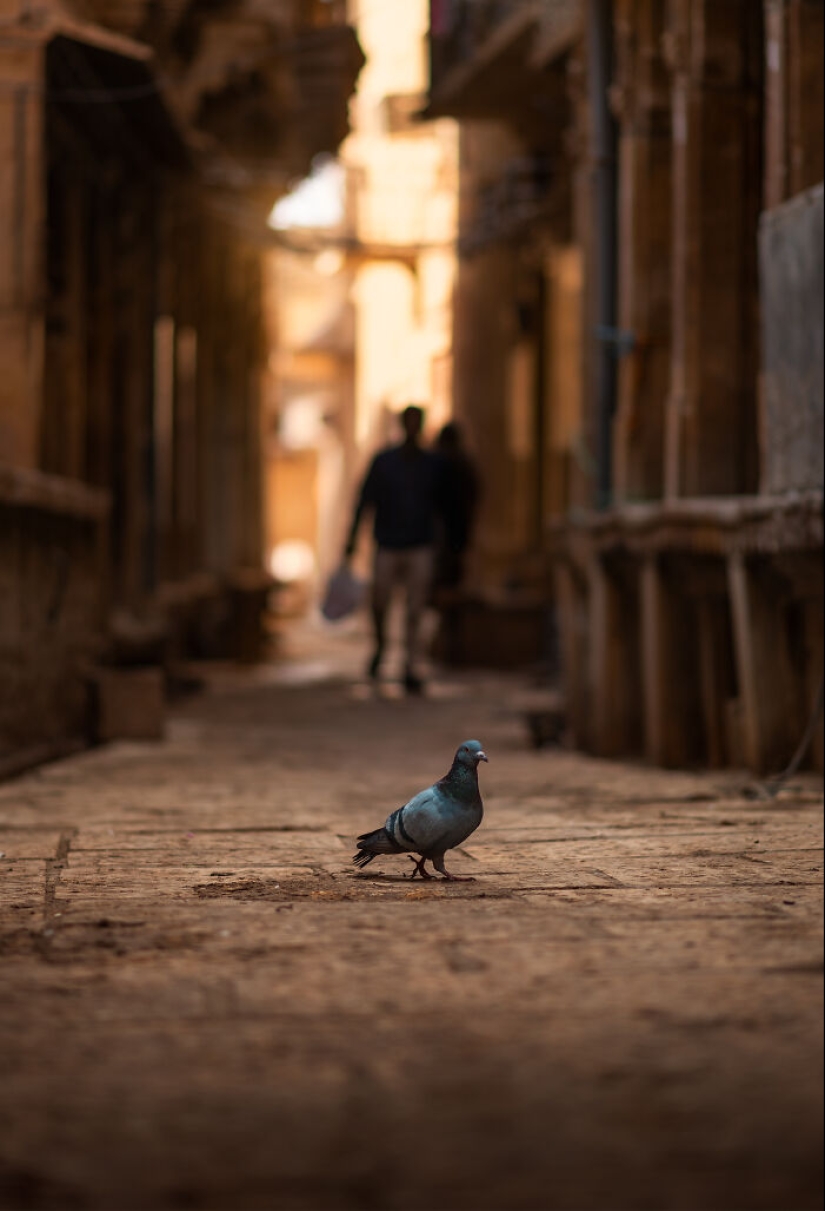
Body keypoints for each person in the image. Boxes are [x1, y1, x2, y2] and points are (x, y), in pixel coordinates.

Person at [344, 405, 445, 693]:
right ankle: (381, 647)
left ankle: (410, 662)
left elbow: (442, 508)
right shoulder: (384, 462)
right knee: (379, 601)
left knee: (416, 608)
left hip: (420, 544)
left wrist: (442, 547)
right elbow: (365, 500)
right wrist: (352, 539)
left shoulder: (431, 465)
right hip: (388, 543)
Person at [432, 420, 479, 594]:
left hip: (450, 528)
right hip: (453, 528)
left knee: (446, 572)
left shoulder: (447, 464)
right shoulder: (458, 464)